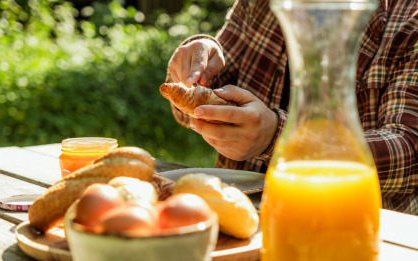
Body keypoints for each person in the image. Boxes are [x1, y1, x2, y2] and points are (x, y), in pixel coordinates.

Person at [165, 0, 417, 214]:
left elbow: (408, 151)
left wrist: (278, 137)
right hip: (236, 213)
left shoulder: (408, 17)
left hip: (349, 227)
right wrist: (192, 73)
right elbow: (187, 112)